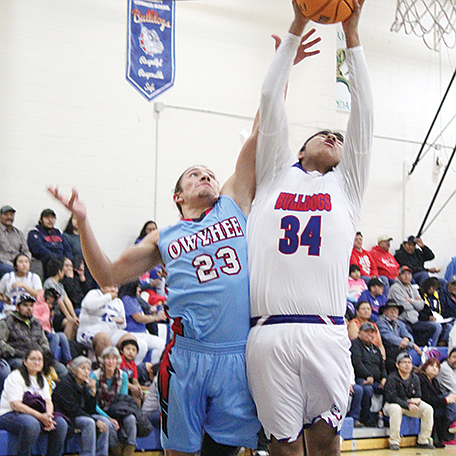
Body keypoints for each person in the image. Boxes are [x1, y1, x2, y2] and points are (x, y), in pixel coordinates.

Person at [48, 61, 260, 455]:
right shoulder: (164, 236)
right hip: (187, 358)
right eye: (194, 174)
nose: (206, 176)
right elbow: (107, 272)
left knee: (225, 452)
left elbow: (259, 135)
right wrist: (82, 221)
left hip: (236, 354)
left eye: (209, 172)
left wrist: (281, 66)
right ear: (178, 196)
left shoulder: (234, 205)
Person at [244, 1, 373, 455]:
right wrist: (297, 24)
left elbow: (364, 114)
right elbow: (268, 97)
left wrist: (351, 35)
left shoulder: (348, 186)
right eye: (323, 134)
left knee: (324, 441)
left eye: (338, 137)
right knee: (283, 447)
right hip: (268, 331)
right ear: (297, 151)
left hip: (326, 328)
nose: (334, 137)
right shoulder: (276, 171)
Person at [0, 349, 68, 456]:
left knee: (60, 424)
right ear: (25, 361)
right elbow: (16, 405)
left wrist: (48, 417)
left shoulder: (42, 379)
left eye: (40, 360)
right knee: (32, 424)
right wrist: (41, 417)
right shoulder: (15, 376)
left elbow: (48, 402)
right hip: (9, 413)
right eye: (33, 359)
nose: (37, 362)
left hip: (36, 414)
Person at [53, 356, 111, 456]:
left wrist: (93, 392)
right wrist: (95, 421)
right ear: (74, 370)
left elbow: (90, 410)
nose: (86, 372)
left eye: (88, 369)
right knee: (89, 422)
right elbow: (72, 409)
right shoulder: (66, 383)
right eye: (83, 368)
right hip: (66, 416)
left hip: (79, 414)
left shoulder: (83, 384)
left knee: (105, 421)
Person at [90, 347, 137, 456]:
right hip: (100, 411)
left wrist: (116, 416)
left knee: (131, 419)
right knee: (109, 424)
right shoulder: (95, 376)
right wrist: (109, 417)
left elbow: (123, 401)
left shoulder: (123, 376)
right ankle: (117, 452)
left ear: (117, 361)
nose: (110, 362)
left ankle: (128, 452)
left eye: (113, 358)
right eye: (107, 358)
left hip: (117, 410)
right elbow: (93, 404)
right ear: (103, 361)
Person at [383, 352, 434, 450]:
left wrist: (417, 400)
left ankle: (423, 440)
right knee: (396, 408)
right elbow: (391, 397)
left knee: (428, 409)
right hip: (392, 405)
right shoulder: (392, 378)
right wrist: (407, 404)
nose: (407, 365)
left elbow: (418, 395)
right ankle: (394, 441)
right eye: (404, 362)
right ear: (397, 365)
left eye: (409, 362)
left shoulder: (415, 378)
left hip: (409, 404)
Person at [388, 265, 442, 346]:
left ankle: (430, 349)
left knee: (436, 327)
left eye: (409, 274)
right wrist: (415, 303)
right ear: (399, 276)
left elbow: (421, 305)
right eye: (404, 274)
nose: (407, 276)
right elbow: (404, 306)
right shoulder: (395, 288)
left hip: (415, 319)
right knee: (410, 331)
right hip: (402, 319)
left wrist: (411, 301)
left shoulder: (413, 288)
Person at [118, 281, 165, 364]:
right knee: (142, 346)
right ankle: (136, 367)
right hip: (131, 333)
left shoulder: (135, 299)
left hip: (142, 333)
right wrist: (155, 317)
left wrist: (153, 314)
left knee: (160, 343)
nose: (139, 289)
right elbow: (138, 318)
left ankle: (152, 366)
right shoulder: (126, 299)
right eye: (138, 287)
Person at [350, 322, 387, 427]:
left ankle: (383, 418)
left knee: (390, 388)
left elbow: (382, 366)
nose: (370, 335)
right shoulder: (355, 345)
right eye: (366, 332)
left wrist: (384, 378)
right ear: (359, 333)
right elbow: (357, 364)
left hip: (376, 380)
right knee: (367, 389)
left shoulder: (375, 348)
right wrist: (368, 375)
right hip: (361, 378)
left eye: (372, 333)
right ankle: (363, 417)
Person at [417, 358, 456, 447]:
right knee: (448, 397)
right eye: (432, 366)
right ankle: (452, 422)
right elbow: (427, 399)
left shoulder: (435, 381)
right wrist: (446, 400)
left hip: (435, 405)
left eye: (437, 367)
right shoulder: (420, 378)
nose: (435, 369)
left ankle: (447, 433)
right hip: (423, 404)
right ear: (425, 367)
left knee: (449, 399)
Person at [376, 299, 421, 374]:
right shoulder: (380, 323)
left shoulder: (400, 323)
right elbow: (390, 338)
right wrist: (413, 345)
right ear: (385, 312)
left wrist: (407, 339)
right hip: (388, 352)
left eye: (396, 311)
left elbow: (408, 336)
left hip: (401, 351)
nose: (394, 313)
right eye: (391, 310)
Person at [27, 209, 73, 276]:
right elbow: (39, 250)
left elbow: (67, 248)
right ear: (41, 220)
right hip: (47, 261)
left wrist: (68, 259)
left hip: (61, 260)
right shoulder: (34, 232)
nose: (50, 220)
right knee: (53, 262)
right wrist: (61, 259)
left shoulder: (58, 232)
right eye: (47, 217)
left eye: (52, 218)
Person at [44, 258, 79, 340]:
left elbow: (66, 300)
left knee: (76, 322)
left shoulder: (60, 285)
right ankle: (68, 342)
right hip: (53, 314)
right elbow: (59, 301)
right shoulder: (49, 283)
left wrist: (74, 316)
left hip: (60, 313)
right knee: (69, 323)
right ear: (59, 271)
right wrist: (68, 316)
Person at [0, 206, 31, 278]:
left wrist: (26, 262)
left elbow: (26, 250)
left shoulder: (19, 233)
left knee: (36, 267)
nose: (9, 217)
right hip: (3, 262)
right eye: (6, 215)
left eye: (11, 215)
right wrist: (14, 264)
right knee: (10, 269)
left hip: (18, 263)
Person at [119, 339, 144, 406]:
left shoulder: (133, 364)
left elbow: (135, 380)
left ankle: (137, 413)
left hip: (129, 386)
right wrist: (132, 387)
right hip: (119, 384)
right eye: (128, 349)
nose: (130, 352)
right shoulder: (119, 360)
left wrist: (138, 388)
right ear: (121, 350)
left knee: (137, 393)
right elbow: (119, 378)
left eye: (134, 350)